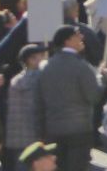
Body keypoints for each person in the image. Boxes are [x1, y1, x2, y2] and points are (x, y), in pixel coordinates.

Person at [33, 27, 100, 171]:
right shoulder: (82, 66)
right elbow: (93, 96)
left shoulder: (45, 67)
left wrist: (40, 131)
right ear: (68, 40)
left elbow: (38, 101)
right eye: (77, 35)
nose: (81, 37)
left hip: (53, 129)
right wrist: (101, 79)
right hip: (79, 131)